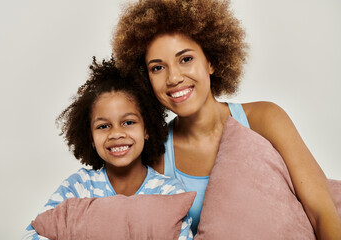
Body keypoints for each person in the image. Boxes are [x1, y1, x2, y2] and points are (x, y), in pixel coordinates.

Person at [112, 0, 341, 238]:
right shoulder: (156, 155)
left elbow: (321, 211)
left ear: (211, 61)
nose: (173, 78)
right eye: (158, 68)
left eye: (186, 59)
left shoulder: (265, 120)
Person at [22, 57, 193, 240]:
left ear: (147, 129)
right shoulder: (79, 186)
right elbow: (33, 233)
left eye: (128, 122)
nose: (116, 134)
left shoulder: (168, 191)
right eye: (103, 126)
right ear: (91, 139)